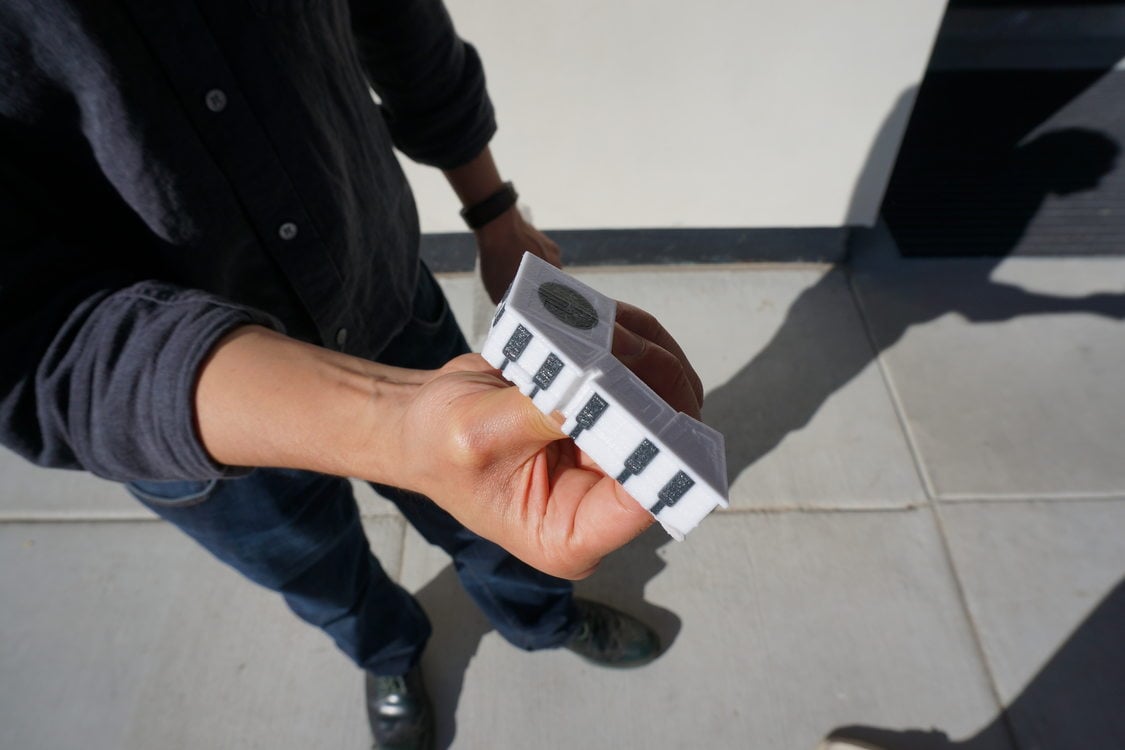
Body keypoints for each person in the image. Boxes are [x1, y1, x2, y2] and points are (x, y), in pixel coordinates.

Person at [0, 2, 705, 748]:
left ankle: (540, 617)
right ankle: (389, 654)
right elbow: (26, 333)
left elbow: (399, 19)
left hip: (378, 282)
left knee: (512, 507)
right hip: (179, 410)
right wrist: (395, 425)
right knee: (315, 569)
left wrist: (493, 212)